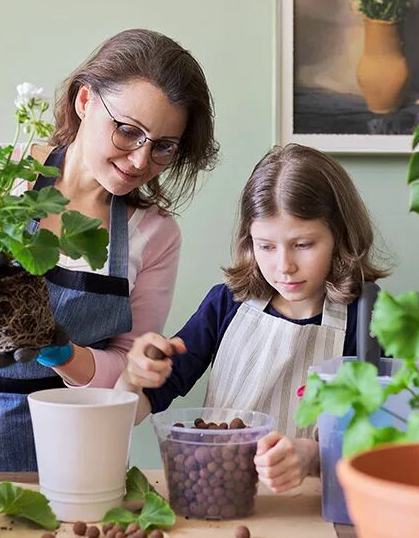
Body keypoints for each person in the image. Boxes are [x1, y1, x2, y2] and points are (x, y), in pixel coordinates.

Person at [0, 29, 219, 471]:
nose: (139, 161)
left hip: (75, 449)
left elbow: (127, 379)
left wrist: (66, 354)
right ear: (85, 101)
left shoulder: (156, 233)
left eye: (163, 146)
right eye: (128, 132)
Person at [115, 144, 390, 493]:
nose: (284, 266)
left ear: (340, 237)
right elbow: (136, 410)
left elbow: (377, 445)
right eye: (266, 246)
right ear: (249, 241)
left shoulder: (366, 322)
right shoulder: (226, 305)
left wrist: (312, 457)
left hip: (312, 504)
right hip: (217, 496)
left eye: (303, 244)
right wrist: (131, 378)